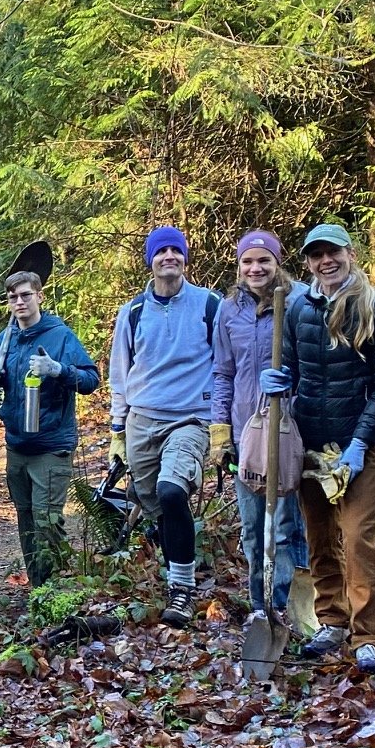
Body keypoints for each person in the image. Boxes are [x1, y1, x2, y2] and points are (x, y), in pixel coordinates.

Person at [260, 225, 375, 675]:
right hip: (310, 442)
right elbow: (293, 369)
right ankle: (332, 621)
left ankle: (367, 637)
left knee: (358, 539)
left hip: (361, 443)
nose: (326, 261)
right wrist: (280, 385)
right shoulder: (298, 308)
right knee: (319, 538)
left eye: (333, 253)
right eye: (316, 255)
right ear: (306, 262)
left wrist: (361, 442)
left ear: (350, 253)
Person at [108, 227, 221, 626]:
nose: (168, 257)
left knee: (172, 492)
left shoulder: (210, 305)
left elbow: (224, 366)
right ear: (150, 260)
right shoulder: (134, 312)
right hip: (142, 418)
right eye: (161, 252)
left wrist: (222, 424)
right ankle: (177, 564)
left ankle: (182, 590)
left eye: (176, 250)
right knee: (153, 501)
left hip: (191, 417)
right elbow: (120, 373)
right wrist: (117, 429)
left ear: (185, 259)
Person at [209, 231, 311, 626]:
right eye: (248, 262)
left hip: (288, 428)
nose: (256, 269)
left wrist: (291, 384)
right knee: (254, 526)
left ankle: (292, 606)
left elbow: (311, 363)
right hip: (244, 431)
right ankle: (260, 604)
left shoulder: (299, 300)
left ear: (277, 262)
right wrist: (220, 428)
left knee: (287, 524)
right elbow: (222, 372)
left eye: (264, 261)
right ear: (239, 265)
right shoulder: (228, 309)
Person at [0, 270, 101, 588]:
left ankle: (57, 588)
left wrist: (58, 370)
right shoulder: (5, 340)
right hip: (17, 444)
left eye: (26, 295)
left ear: (39, 296)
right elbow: (1, 388)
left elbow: (91, 379)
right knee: (26, 520)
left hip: (51, 444)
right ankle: (39, 588)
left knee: (47, 519)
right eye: (13, 297)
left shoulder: (59, 335)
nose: (19, 302)